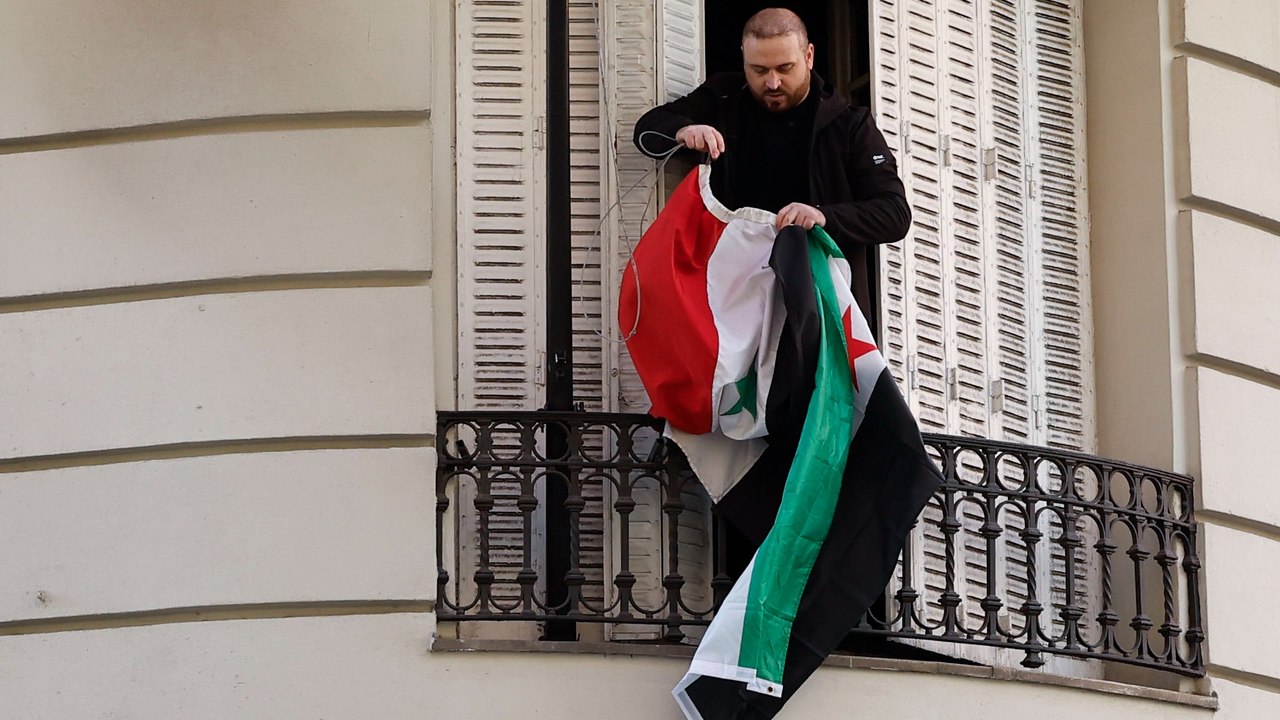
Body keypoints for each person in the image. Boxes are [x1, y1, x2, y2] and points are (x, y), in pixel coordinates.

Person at [633, 7, 910, 320]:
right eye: (759, 70)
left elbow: (894, 214)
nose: (773, 82)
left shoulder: (850, 125)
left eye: (785, 68)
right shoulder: (725, 97)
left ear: (809, 56)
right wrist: (683, 130)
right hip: (733, 301)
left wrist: (822, 216)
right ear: (743, 60)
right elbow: (647, 130)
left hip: (818, 305)